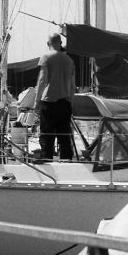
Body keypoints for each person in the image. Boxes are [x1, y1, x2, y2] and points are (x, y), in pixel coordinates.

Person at [33, 32, 76, 160]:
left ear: (48, 44)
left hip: (49, 103)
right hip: (65, 102)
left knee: (47, 136)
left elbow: (42, 80)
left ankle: (47, 161)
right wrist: (70, 103)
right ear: (61, 43)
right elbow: (73, 86)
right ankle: (66, 162)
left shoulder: (46, 57)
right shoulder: (69, 60)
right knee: (64, 137)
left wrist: (36, 102)